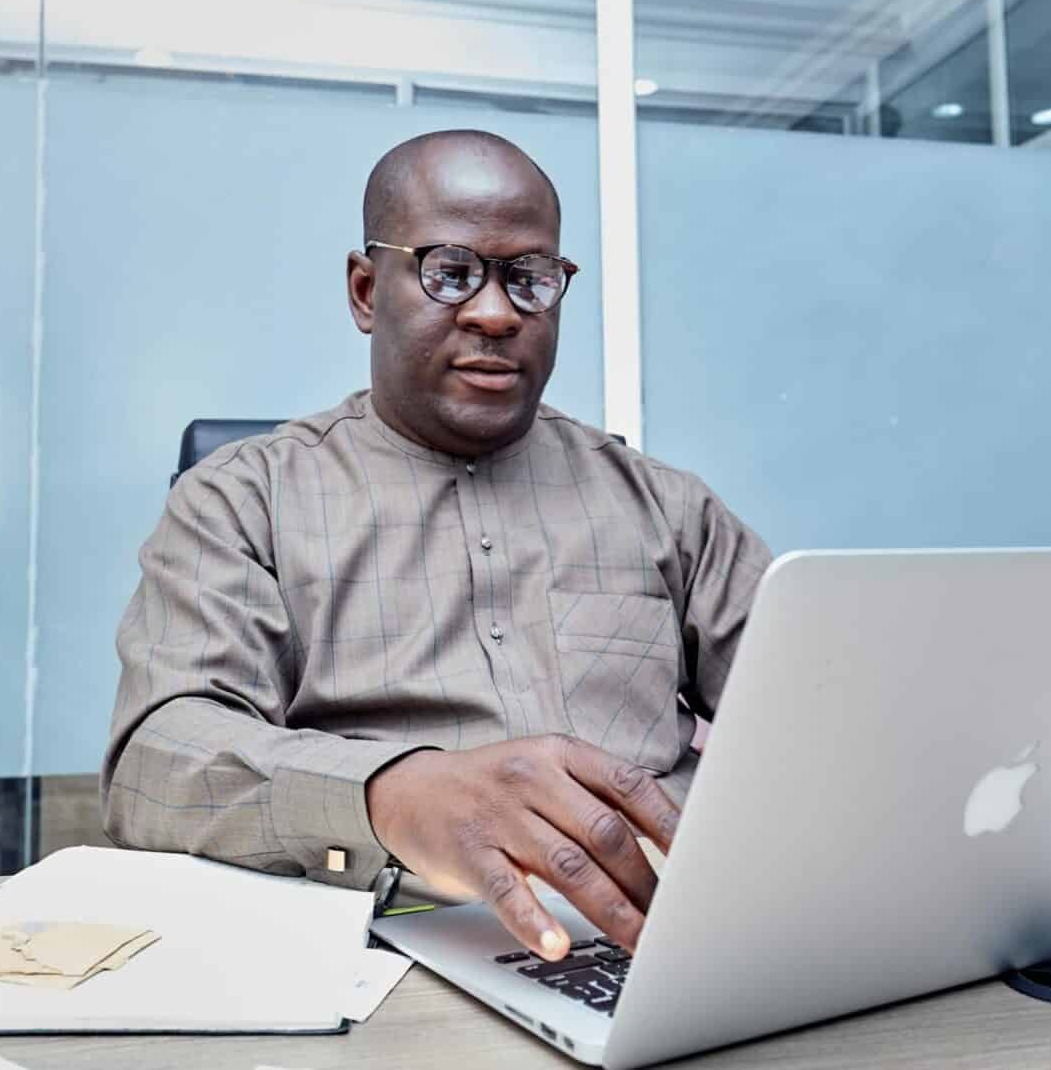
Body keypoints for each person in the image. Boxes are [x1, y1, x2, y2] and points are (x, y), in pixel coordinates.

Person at [103, 129, 771, 962]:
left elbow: (822, 713)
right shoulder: (244, 499)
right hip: (389, 949)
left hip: (671, 943)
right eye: (450, 272)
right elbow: (157, 760)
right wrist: (389, 793)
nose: (495, 314)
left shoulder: (666, 506)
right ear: (364, 290)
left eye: (530, 280)